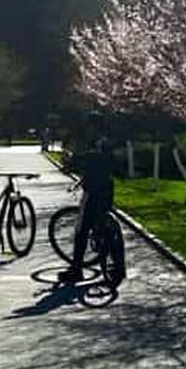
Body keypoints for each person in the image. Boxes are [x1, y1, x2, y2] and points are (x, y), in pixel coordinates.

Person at [59, 113, 115, 285]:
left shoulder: (99, 143)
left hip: (94, 191)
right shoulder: (104, 142)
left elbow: (92, 157)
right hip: (106, 188)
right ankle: (112, 260)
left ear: (94, 126)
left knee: (81, 231)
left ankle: (76, 270)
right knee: (102, 225)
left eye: (89, 125)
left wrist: (74, 159)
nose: (87, 129)